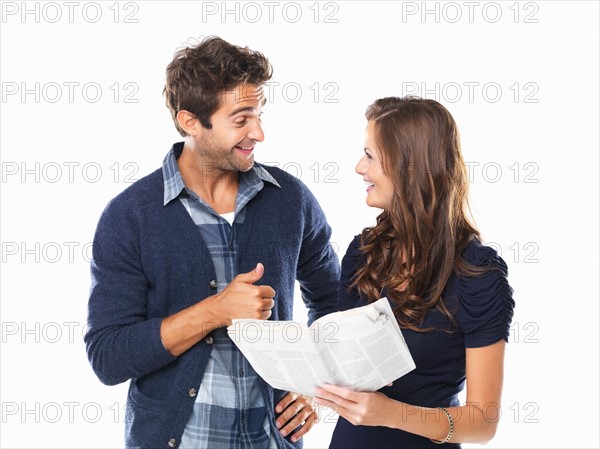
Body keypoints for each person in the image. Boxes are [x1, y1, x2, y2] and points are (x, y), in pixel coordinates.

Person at [84, 36, 340, 449]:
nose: (258, 132)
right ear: (190, 122)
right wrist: (216, 311)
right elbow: (108, 356)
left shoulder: (291, 200)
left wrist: (314, 387)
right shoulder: (130, 216)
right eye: (241, 120)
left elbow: (335, 306)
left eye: (258, 114)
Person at [313, 97, 516, 448]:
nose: (359, 167)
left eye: (370, 156)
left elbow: (483, 423)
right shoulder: (363, 254)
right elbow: (340, 357)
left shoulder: (477, 274)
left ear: (409, 167)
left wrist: (391, 413)